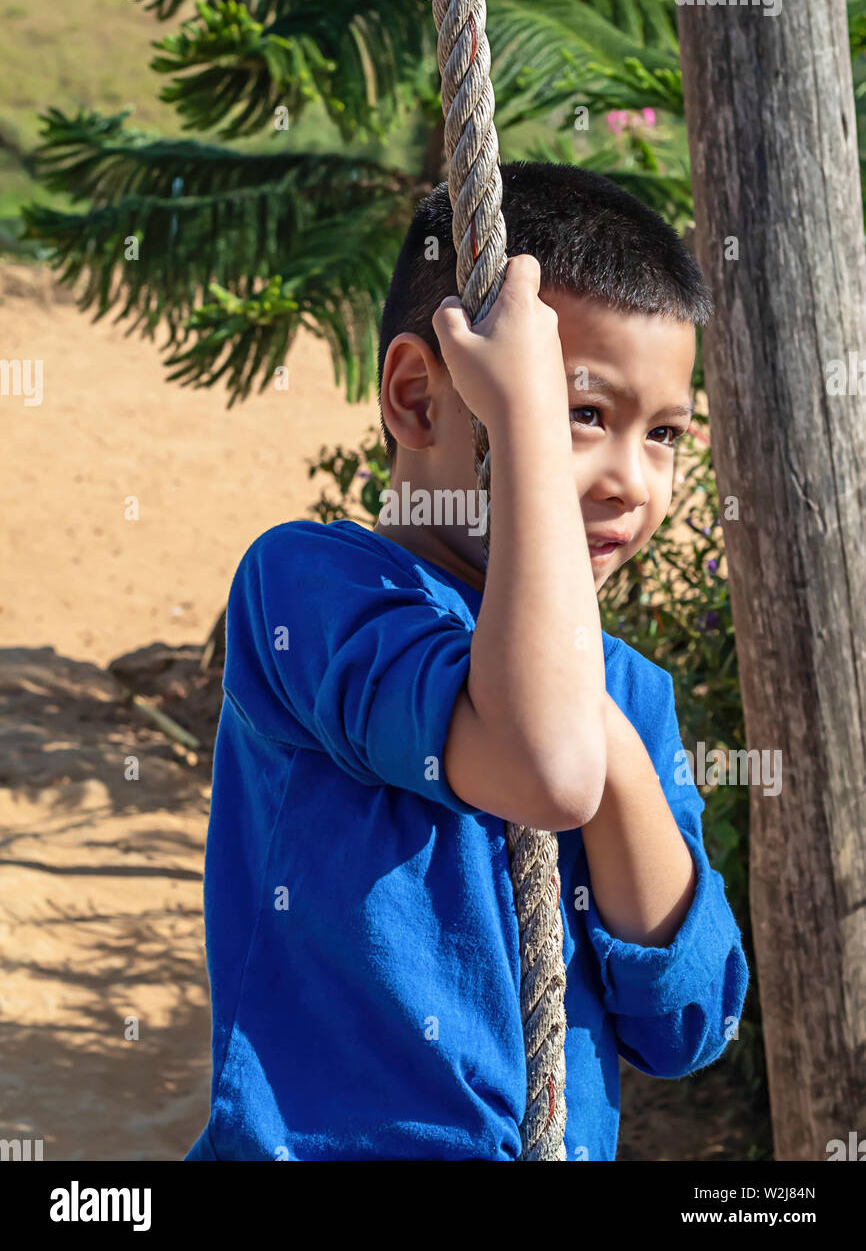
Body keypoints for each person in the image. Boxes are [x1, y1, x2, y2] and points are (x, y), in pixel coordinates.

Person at [184, 160, 749, 1162]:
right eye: (580, 412)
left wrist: (613, 739)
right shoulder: (313, 590)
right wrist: (524, 420)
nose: (628, 479)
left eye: (661, 432)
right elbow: (539, 761)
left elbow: (688, 1022)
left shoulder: (628, 695)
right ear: (416, 399)